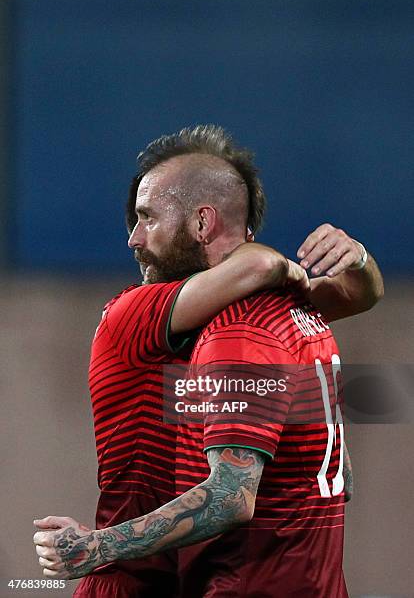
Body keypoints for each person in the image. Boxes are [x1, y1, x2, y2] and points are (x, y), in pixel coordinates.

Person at [33, 125, 383, 596]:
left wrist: (354, 257)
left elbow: (229, 497)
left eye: (147, 218)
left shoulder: (241, 326)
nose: (134, 239)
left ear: (202, 223)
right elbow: (285, 275)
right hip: (149, 579)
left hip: (187, 578)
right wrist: (316, 268)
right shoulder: (136, 315)